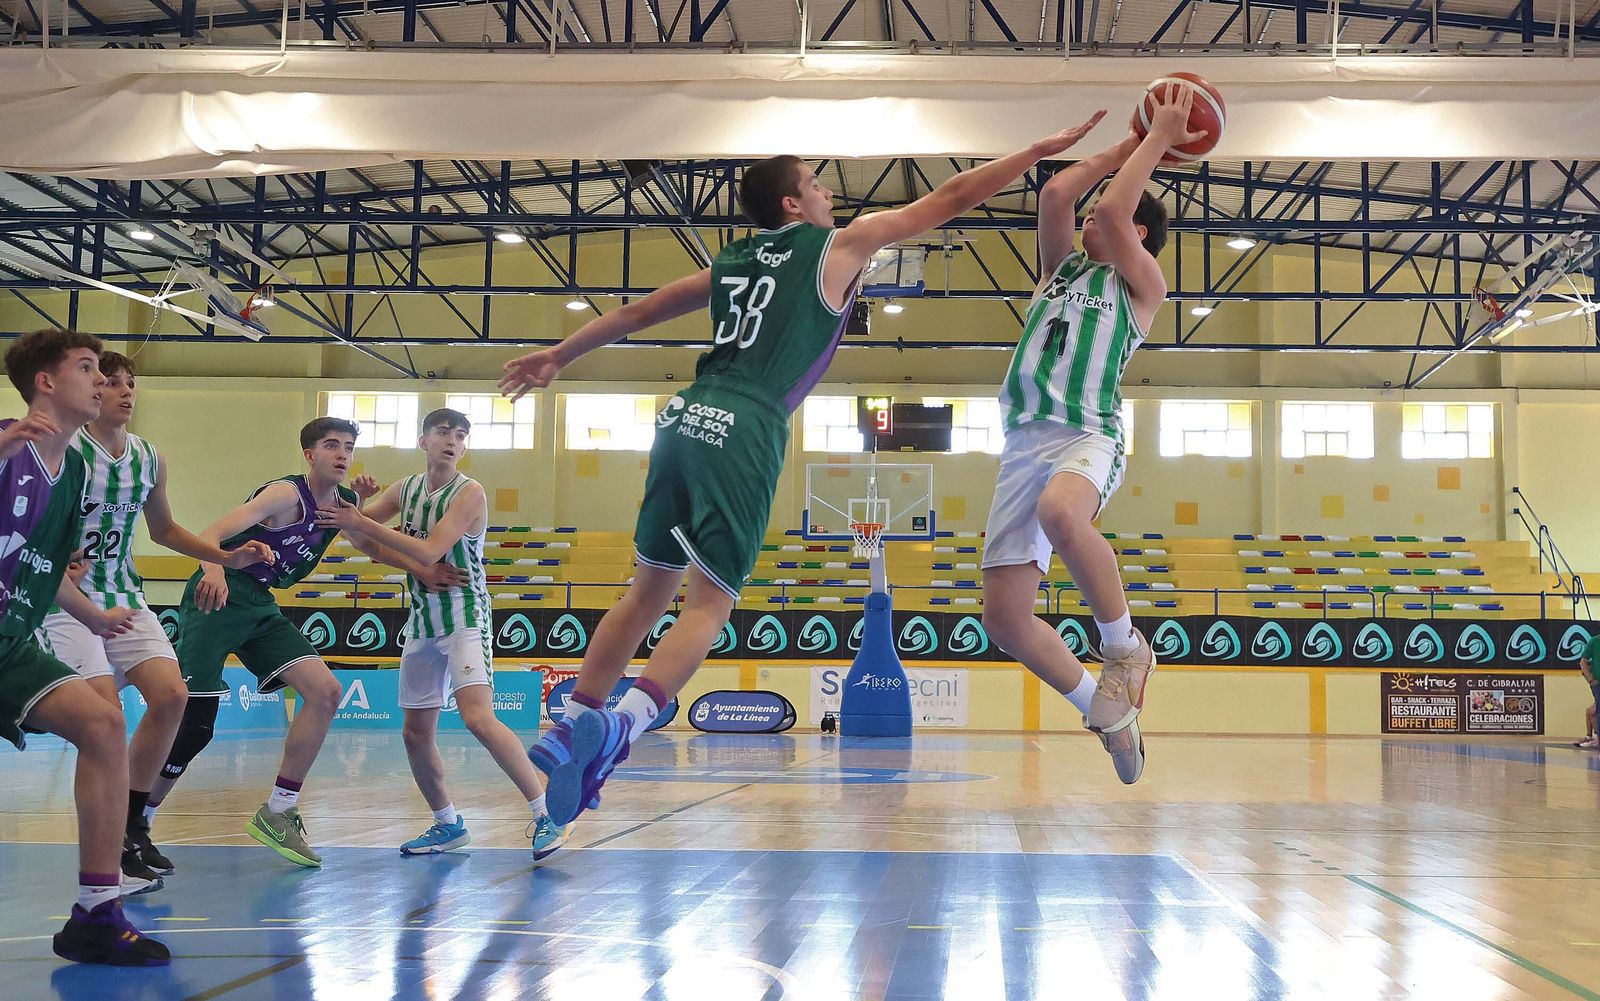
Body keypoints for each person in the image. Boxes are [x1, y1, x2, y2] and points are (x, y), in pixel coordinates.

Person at [499, 114, 1111, 826]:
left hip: (683, 418)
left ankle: (573, 723)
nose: (828, 195)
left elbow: (637, 314)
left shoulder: (731, 261)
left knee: (644, 595)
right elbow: (948, 199)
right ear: (792, 203)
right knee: (708, 606)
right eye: (817, 185)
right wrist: (1032, 151)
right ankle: (624, 724)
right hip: (745, 423)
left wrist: (559, 355)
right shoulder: (836, 246)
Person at [979, 84, 1204, 785]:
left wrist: (1158, 138)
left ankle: (1125, 645)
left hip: (1088, 432)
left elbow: (1107, 208)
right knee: (1004, 620)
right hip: (1023, 443)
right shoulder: (1059, 270)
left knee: (1061, 513)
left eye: (1116, 217)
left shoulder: (1141, 289)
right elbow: (1056, 196)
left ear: (1139, 236)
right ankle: (1106, 712)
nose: (1093, 219)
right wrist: (1122, 145)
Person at [36, 350, 273, 886]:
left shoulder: (148, 458)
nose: (124, 391)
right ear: (91, 390)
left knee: (172, 697)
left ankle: (132, 822)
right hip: (67, 600)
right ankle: (104, 852)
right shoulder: (63, 449)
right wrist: (53, 558)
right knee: (106, 721)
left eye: (130, 383)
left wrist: (226, 557)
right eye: (111, 382)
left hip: (124, 592)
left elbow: (164, 530)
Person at [310, 408, 569, 859]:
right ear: (423, 440)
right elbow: (359, 536)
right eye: (444, 432)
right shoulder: (405, 488)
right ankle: (447, 823)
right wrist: (360, 505)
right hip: (422, 619)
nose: (452, 441)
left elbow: (429, 550)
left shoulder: (470, 492)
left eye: (461, 436)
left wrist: (361, 520)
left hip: (465, 615)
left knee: (478, 718)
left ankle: (548, 813)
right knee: (414, 734)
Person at [1, 328, 168, 965]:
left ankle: (96, 914)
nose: (102, 381)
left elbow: (47, 566)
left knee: (103, 724)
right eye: (88, 368)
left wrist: (94, 618)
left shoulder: (72, 468)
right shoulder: (9, 442)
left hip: (10, 637)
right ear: (46, 383)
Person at [145, 417, 371, 868]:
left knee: (326, 691)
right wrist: (213, 569)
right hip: (218, 594)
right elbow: (211, 534)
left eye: (348, 446)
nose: (342, 454)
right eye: (332, 445)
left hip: (260, 604)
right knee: (195, 727)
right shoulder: (285, 495)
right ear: (309, 454)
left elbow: (368, 536)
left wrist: (365, 506)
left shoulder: (344, 503)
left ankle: (279, 811)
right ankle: (138, 821)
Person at [1576, 634, 1599, 750]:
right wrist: (1590, 679)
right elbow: (1583, 663)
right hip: (1597, 684)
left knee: (1593, 711)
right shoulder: (1595, 642)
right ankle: (1592, 737)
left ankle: (1594, 737)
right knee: (1592, 711)